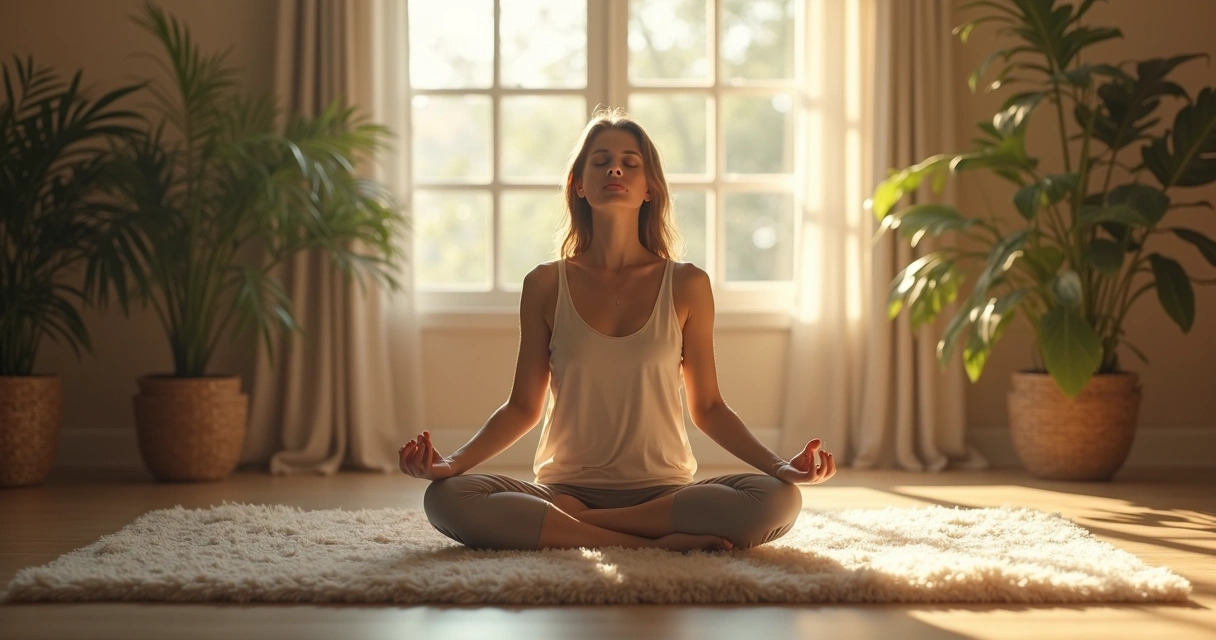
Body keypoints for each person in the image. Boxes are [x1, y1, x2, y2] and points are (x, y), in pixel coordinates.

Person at [399, 106, 836, 553]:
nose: (615, 168)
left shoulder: (687, 284)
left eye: (631, 163)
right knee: (447, 499)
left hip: (665, 493)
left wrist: (781, 468)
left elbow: (708, 406)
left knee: (777, 500)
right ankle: (649, 544)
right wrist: (450, 465)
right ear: (579, 184)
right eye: (601, 160)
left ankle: (583, 529)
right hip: (563, 491)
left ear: (650, 189)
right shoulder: (545, 284)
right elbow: (522, 408)